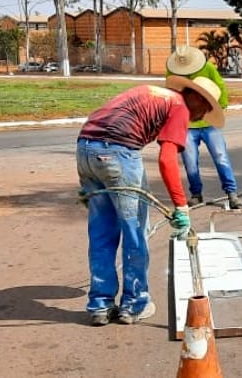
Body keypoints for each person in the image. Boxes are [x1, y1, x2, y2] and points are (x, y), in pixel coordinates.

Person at [77, 76, 224, 326]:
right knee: (135, 232)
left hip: (85, 149)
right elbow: (167, 160)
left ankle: (100, 306)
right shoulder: (179, 106)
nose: (201, 116)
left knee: (101, 233)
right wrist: (181, 206)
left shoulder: (154, 93)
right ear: (196, 98)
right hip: (118, 153)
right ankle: (134, 305)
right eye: (206, 108)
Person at [166, 46, 241, 209]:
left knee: (220, 156)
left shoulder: (207, 68)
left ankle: (231, 192)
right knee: (190, 160)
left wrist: (218, 107)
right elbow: (172, 94)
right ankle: (196, 194)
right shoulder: (173, 73)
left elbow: (219, 85)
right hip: (187, 123)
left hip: (209, 123)